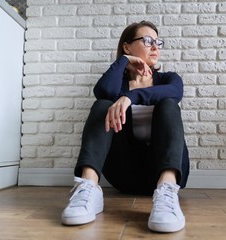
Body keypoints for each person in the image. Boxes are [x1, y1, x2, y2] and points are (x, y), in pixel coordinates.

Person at [61, 20, 190, 233]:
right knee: (103, 104)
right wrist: (123, 61)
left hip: (161, 172)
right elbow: (103, 92)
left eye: (158, 41)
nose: (155, 46)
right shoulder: (118, 83)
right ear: (127, 46)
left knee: (168, 105)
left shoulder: (168, 79)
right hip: (124, 173)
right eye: (147, 40)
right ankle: (88, 187)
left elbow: (175, 93)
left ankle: (167, 191)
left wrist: (130, 97)